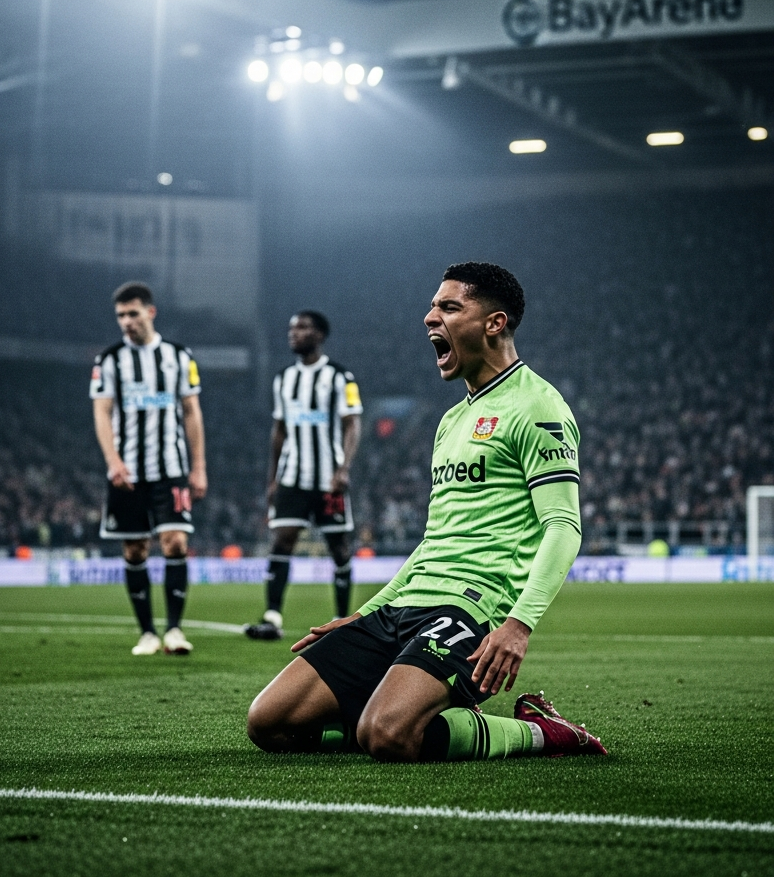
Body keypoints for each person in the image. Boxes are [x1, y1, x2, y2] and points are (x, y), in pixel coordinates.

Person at [247, 263, 606, 761]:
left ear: (494, 323)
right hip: (403, 607)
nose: (429, 317)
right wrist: (366, 614)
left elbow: (563, 527)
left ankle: (546, 732)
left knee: (387, 736)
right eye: (434, 305)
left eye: (448, 307)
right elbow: (434, 542)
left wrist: (518, 624)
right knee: (269, 724)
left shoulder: (537, 406)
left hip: (469, 610)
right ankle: (411, 715)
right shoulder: (451, 420)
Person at [91, 282, 207, 656]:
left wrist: (198, 466)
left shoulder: (177, 356)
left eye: (133, 314)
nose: (126, 322)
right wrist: (113, 461)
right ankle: (146, 632)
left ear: (150, 312)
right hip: (128, 471)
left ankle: (173, 630)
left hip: (170, 467)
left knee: (175, 542)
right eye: (121, 315)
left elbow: (191, 411)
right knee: (135, 550)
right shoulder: (108, 360)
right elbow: (102, 412)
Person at [245, 311, 362, 641]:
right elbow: (278, 430)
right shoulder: (283, 379)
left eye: (303, 327)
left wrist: (344, 468)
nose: (294, 333)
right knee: (281, 540)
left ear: (321, 334)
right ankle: (272, 617)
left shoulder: (341, 377)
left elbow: (352, 423)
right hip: (292, 478)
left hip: (328, 477)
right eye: (292, 327)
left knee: (339, 546)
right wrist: (272, 479)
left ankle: (341, 619)